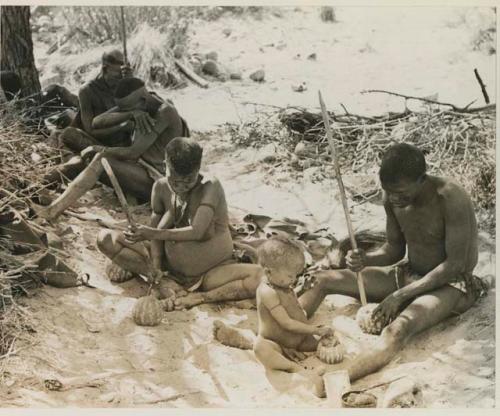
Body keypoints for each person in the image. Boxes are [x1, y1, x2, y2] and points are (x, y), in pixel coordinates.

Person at [297, 143, 488, 382]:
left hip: (451, 285)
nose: (395, 198)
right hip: (410, 273)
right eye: (389, 191)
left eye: (401, 192)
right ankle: (290, 334)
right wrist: (364, 259)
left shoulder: (450, 198)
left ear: (422, 179)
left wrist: (400, 296)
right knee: (323, 280)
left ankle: (338, 379)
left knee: (398, 329)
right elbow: (394, 249)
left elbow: (456, 265)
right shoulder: (392, 197)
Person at [97, 137, 263, 310]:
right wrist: (156, 267)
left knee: (259, 277)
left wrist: (152, 233)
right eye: (175, 180)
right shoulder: (160, 188)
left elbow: (197, 231)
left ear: (198, 169)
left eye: (188, 181)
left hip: (212, 273)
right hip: (169, 269)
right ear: (165, 164)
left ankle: (201, 297)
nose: (181, 186)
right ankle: (164, 282)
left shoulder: (210, 187)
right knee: (106, 238)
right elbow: (156, 231)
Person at [39, 77, 188, 220]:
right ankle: (36, 184)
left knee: (101, 160)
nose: (122, 111)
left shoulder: (165, 112)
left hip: (156, 179)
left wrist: (98, 149)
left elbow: (132, 152)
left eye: (127, 109)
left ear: (143, 101)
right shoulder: (141, 103)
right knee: (76, 150)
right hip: (137, 167)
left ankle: (53, 210)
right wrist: (129, 113)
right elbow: (97, 122)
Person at [43, 49, 154, 184]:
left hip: (125, 149)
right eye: (116, 75)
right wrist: (122, 127)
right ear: (105, 68)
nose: (119, 80)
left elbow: (149, 104)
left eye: (122, 75)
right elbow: (90, 130)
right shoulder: (87, 91)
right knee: (68, 134)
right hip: (99, 143)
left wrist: (132, 83)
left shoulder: (125, 85)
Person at [253, 237, 333, 372]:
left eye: (296, 276)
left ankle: (291, 351)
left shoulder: (281, 283)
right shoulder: (267, 292)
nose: (294, 280)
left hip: (299, 338)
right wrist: (315, 330)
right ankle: (293, 367)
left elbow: (289, 301)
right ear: (269, 272)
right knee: (262, 350)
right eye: (290, 276)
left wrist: (303, 289)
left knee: (328, 340)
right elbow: (286, 323)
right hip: (276, 342)